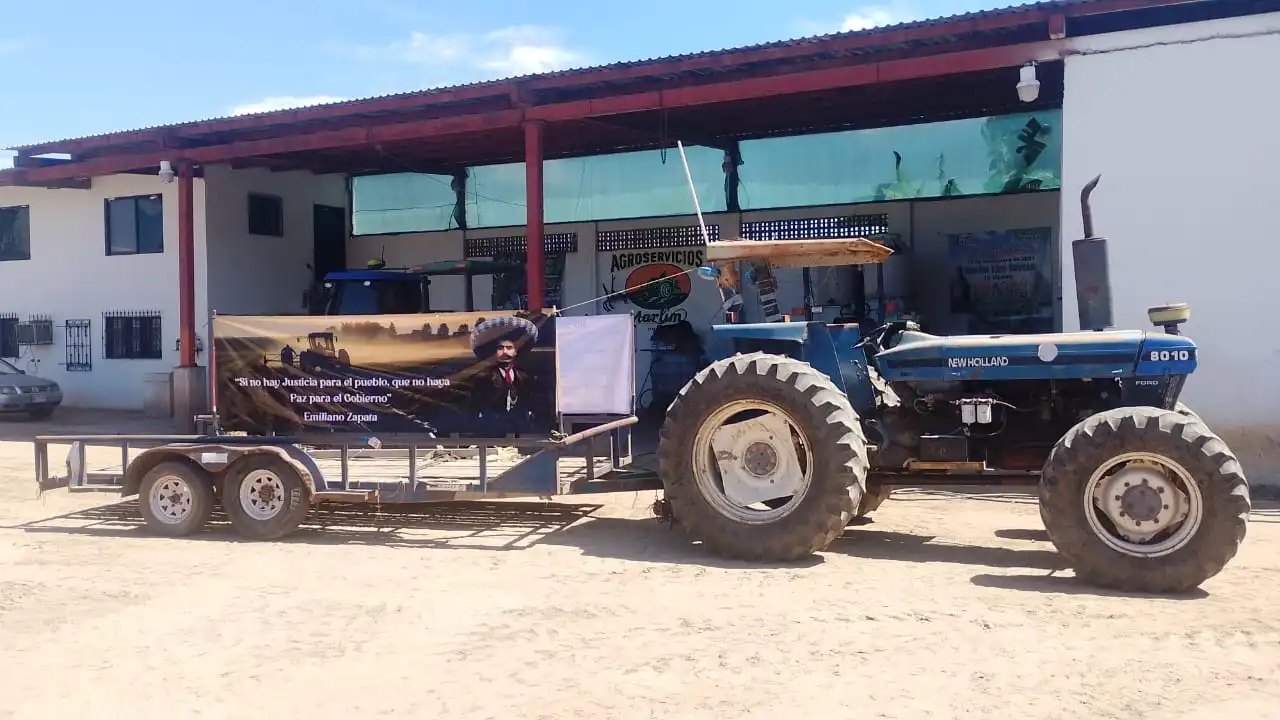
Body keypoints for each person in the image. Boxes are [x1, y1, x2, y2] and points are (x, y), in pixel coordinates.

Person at [468, 315, 540, 436]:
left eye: (509, 348)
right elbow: (475, 405)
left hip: (518, 429)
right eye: (500, 348)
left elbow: (528, 401)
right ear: (494, 352)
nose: (505, 352)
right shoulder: (483, 376)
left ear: (515, 351)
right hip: (490, 430)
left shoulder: (523, 377)